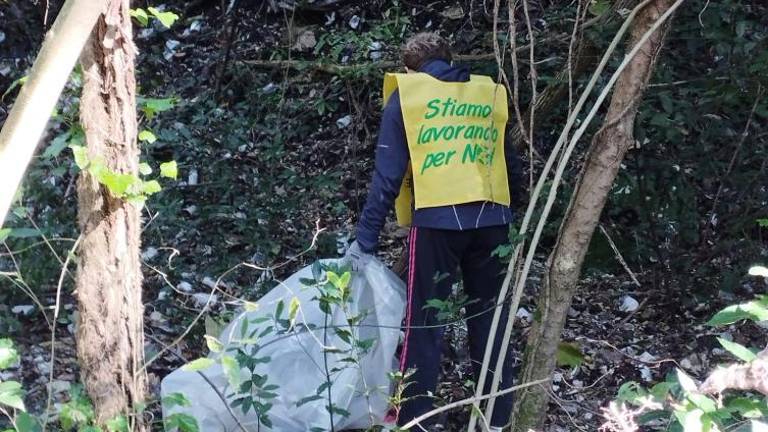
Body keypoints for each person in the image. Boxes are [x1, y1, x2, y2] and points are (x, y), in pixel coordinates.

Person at [347, 32, 524, 431]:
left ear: (411, 68)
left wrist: (365, 240)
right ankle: (495, 419)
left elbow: (387, 175)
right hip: (494, 220)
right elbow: (508, 161)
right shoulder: (487, 93)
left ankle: (419, 421)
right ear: (450, 57)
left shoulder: (408, 96)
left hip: (439, 224)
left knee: (424, 323)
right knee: (489, 317)